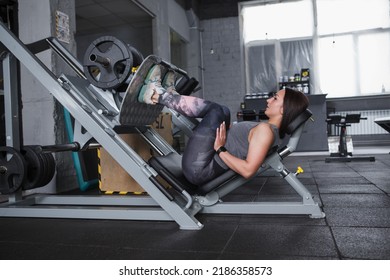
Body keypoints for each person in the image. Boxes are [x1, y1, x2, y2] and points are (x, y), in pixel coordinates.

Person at [138, 65, 309, 186]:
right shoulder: (266, 129)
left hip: (199, 168)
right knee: (223, 111)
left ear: (284, 110)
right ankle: (169, 95)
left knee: (217, 111)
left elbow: (248, 170)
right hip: (204, 161)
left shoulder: (266, 131)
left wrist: (220, 149)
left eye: (275, 98)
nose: (268, 99)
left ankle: (156, 95)